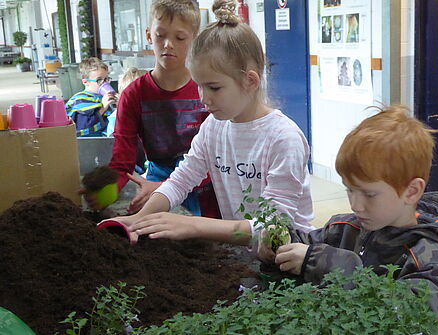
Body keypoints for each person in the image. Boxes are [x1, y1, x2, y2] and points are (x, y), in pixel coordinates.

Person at [106, 0, 315, 245]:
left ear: (250, 81)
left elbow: (272, 227)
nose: (203, 99)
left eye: (214, 87)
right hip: (246, 253)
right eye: (199, 86)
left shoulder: (283, 139)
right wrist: (139, 220)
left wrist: (193, 225)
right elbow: (182, 179)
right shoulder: (214, 127)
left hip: (291, 258)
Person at [258, 105, 438, 315]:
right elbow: (305, 245)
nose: (355, 205)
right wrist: (280, 241)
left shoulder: (428, 254)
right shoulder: (344, 228)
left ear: (412, 191)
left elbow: (412, 310)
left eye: (369, 194)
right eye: (350, 190)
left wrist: (326, 262)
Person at [105, 0, 220, 217]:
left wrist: (168, 187)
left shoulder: (208, 89)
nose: (168, 44)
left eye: (180, 37)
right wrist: (107, 187)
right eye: (160, 35)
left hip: (206, 188)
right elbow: (122, 159)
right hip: (156, 183)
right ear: (149, 35)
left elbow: (218, 157)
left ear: (194, 39)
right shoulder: (133, 95)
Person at [65, 57, 118, 137]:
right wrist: (102, 108)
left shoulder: (104, 97)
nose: (105, 83)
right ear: (86, 82)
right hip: (88, 144)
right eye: (99, 80)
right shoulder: (80, 100)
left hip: (106, 141)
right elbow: (83, 128)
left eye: (106, 79)